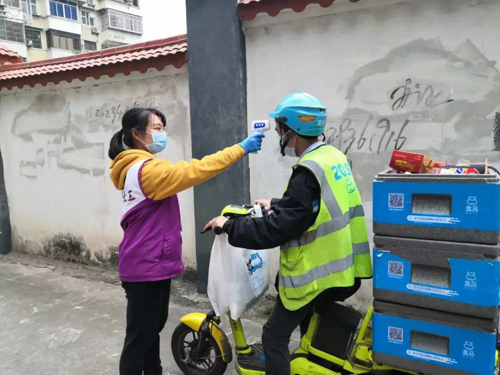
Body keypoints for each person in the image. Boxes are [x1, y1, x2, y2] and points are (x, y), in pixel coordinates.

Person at [204, 93, 373, 375]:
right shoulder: (332, 157)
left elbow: (276, 230)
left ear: (291, 133)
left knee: (274, 336)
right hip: (344, 267)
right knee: (309, 325)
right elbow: (314, 206)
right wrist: (277, 204)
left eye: (280, 129)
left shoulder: (307, 171)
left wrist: (229, 225)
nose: (279, 135)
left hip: (315, 274)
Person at [108, 107, 265, 375]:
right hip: (146, 267)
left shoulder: (137, 167)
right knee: (138, 341)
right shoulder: (146, 170)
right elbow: (198, 170)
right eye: (156, 128)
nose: (162, 133)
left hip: (151, 264)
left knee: (150, 332)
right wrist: (241, 148)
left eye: (162, 127)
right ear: (136, 134)